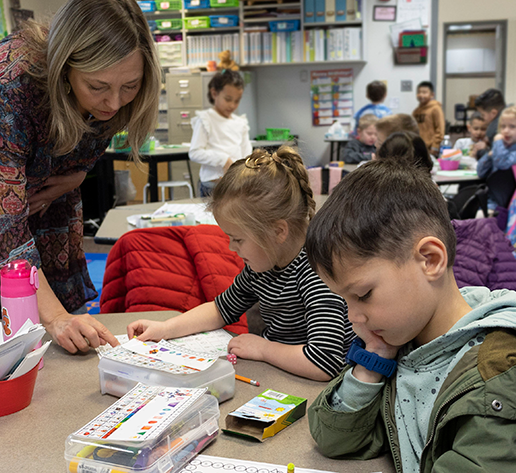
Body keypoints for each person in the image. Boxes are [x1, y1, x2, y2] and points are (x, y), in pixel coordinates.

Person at [305, 158, 516, 472]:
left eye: (364, 295)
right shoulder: (408, 337)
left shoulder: (496, 385)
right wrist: (374, 360)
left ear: (430, 260)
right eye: (345, 301)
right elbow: (334, 438)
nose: (354, 317)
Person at [0, 0, 162, 353]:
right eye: (98, 87)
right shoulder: (7, 78)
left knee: (62, 294)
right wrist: (55, 318)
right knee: (14, 313)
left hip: (44, 176)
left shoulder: (117, 90)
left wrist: (77, 177)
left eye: (129, 87)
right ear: (65, 68)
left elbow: (85, 151)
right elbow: (2, 223)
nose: (114, 103)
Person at [127, 146, 356, 381]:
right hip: (282, 372)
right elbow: (220, 309)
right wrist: (165, 329)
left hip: (318, 385)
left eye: (238, 239)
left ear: (278, 231)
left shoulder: (317, 273)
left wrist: (263, 349)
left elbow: (324, 362)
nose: (230, 247)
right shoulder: (264, 264)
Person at [189, 69, 251, 197]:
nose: (232, 105)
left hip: (235, 186)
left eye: (237, 100)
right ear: (214, 93)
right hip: (212, 187)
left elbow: (246, 154)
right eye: (228, 99)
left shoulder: (240, 123)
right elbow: (194, 152)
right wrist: (222, 160)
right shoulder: (206, 119)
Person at [477, 105, 516, 210]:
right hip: (492, 199)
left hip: (514, 204)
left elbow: (502, 164)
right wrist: (489, 155)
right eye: (503, 126)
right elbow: (481, 171)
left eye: (512, 127)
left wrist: (498, 143)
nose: (506, 131)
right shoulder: (500, 150)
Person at [412, 81, 445, 156]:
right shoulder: (416, 111)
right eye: (419, 92)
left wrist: (435, 146)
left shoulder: (436, 109)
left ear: (432, 95)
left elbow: (440, 129)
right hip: (418, 147)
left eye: (424, 92)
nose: (421, 95)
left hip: (431, 148)